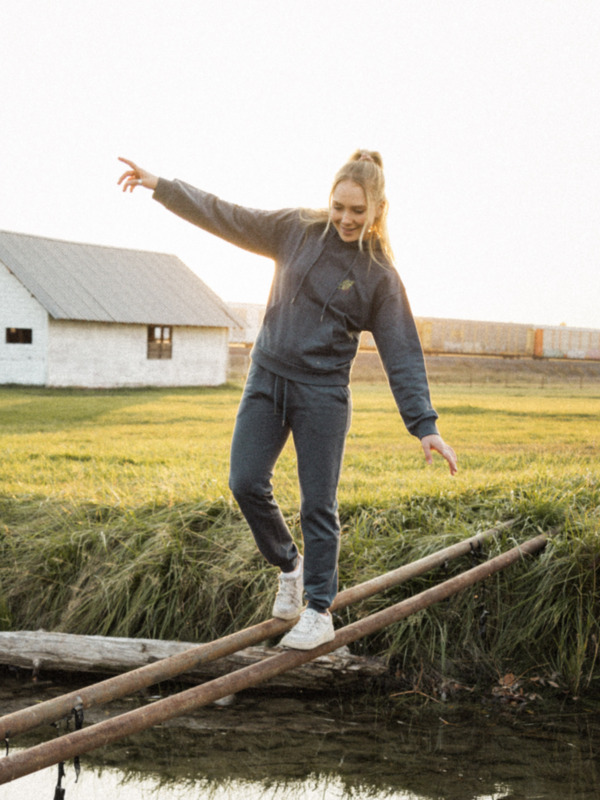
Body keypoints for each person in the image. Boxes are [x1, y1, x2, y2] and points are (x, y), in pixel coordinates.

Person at [117, 150, 457, 650]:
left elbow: (401, 350)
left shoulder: (379, 275)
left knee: (318, 505)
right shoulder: (295, 229)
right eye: (338, 206)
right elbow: (225, 214)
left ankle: (320, 610)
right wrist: (161, 186)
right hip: (267, 377)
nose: (345, 218)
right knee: (245, 481)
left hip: (322, 393)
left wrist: (424, 423)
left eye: (357, 211)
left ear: (378, 209)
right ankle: (290, 567)